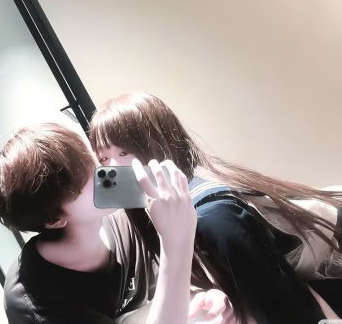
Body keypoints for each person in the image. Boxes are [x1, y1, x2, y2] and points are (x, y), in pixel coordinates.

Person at [89, 91, 342, 324]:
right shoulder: (165, 209)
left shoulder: (213, 216)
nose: (114, 167)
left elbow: (291, 310)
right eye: (103, 158)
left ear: (157, 142)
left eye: (124, 152)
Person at [0, 123, 200, 324]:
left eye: (90, 162)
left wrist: (201, 296)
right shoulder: (37, 300)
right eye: (82, 181)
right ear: (54, 220)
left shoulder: (126, 215)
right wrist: (175, 241)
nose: (103, 175)